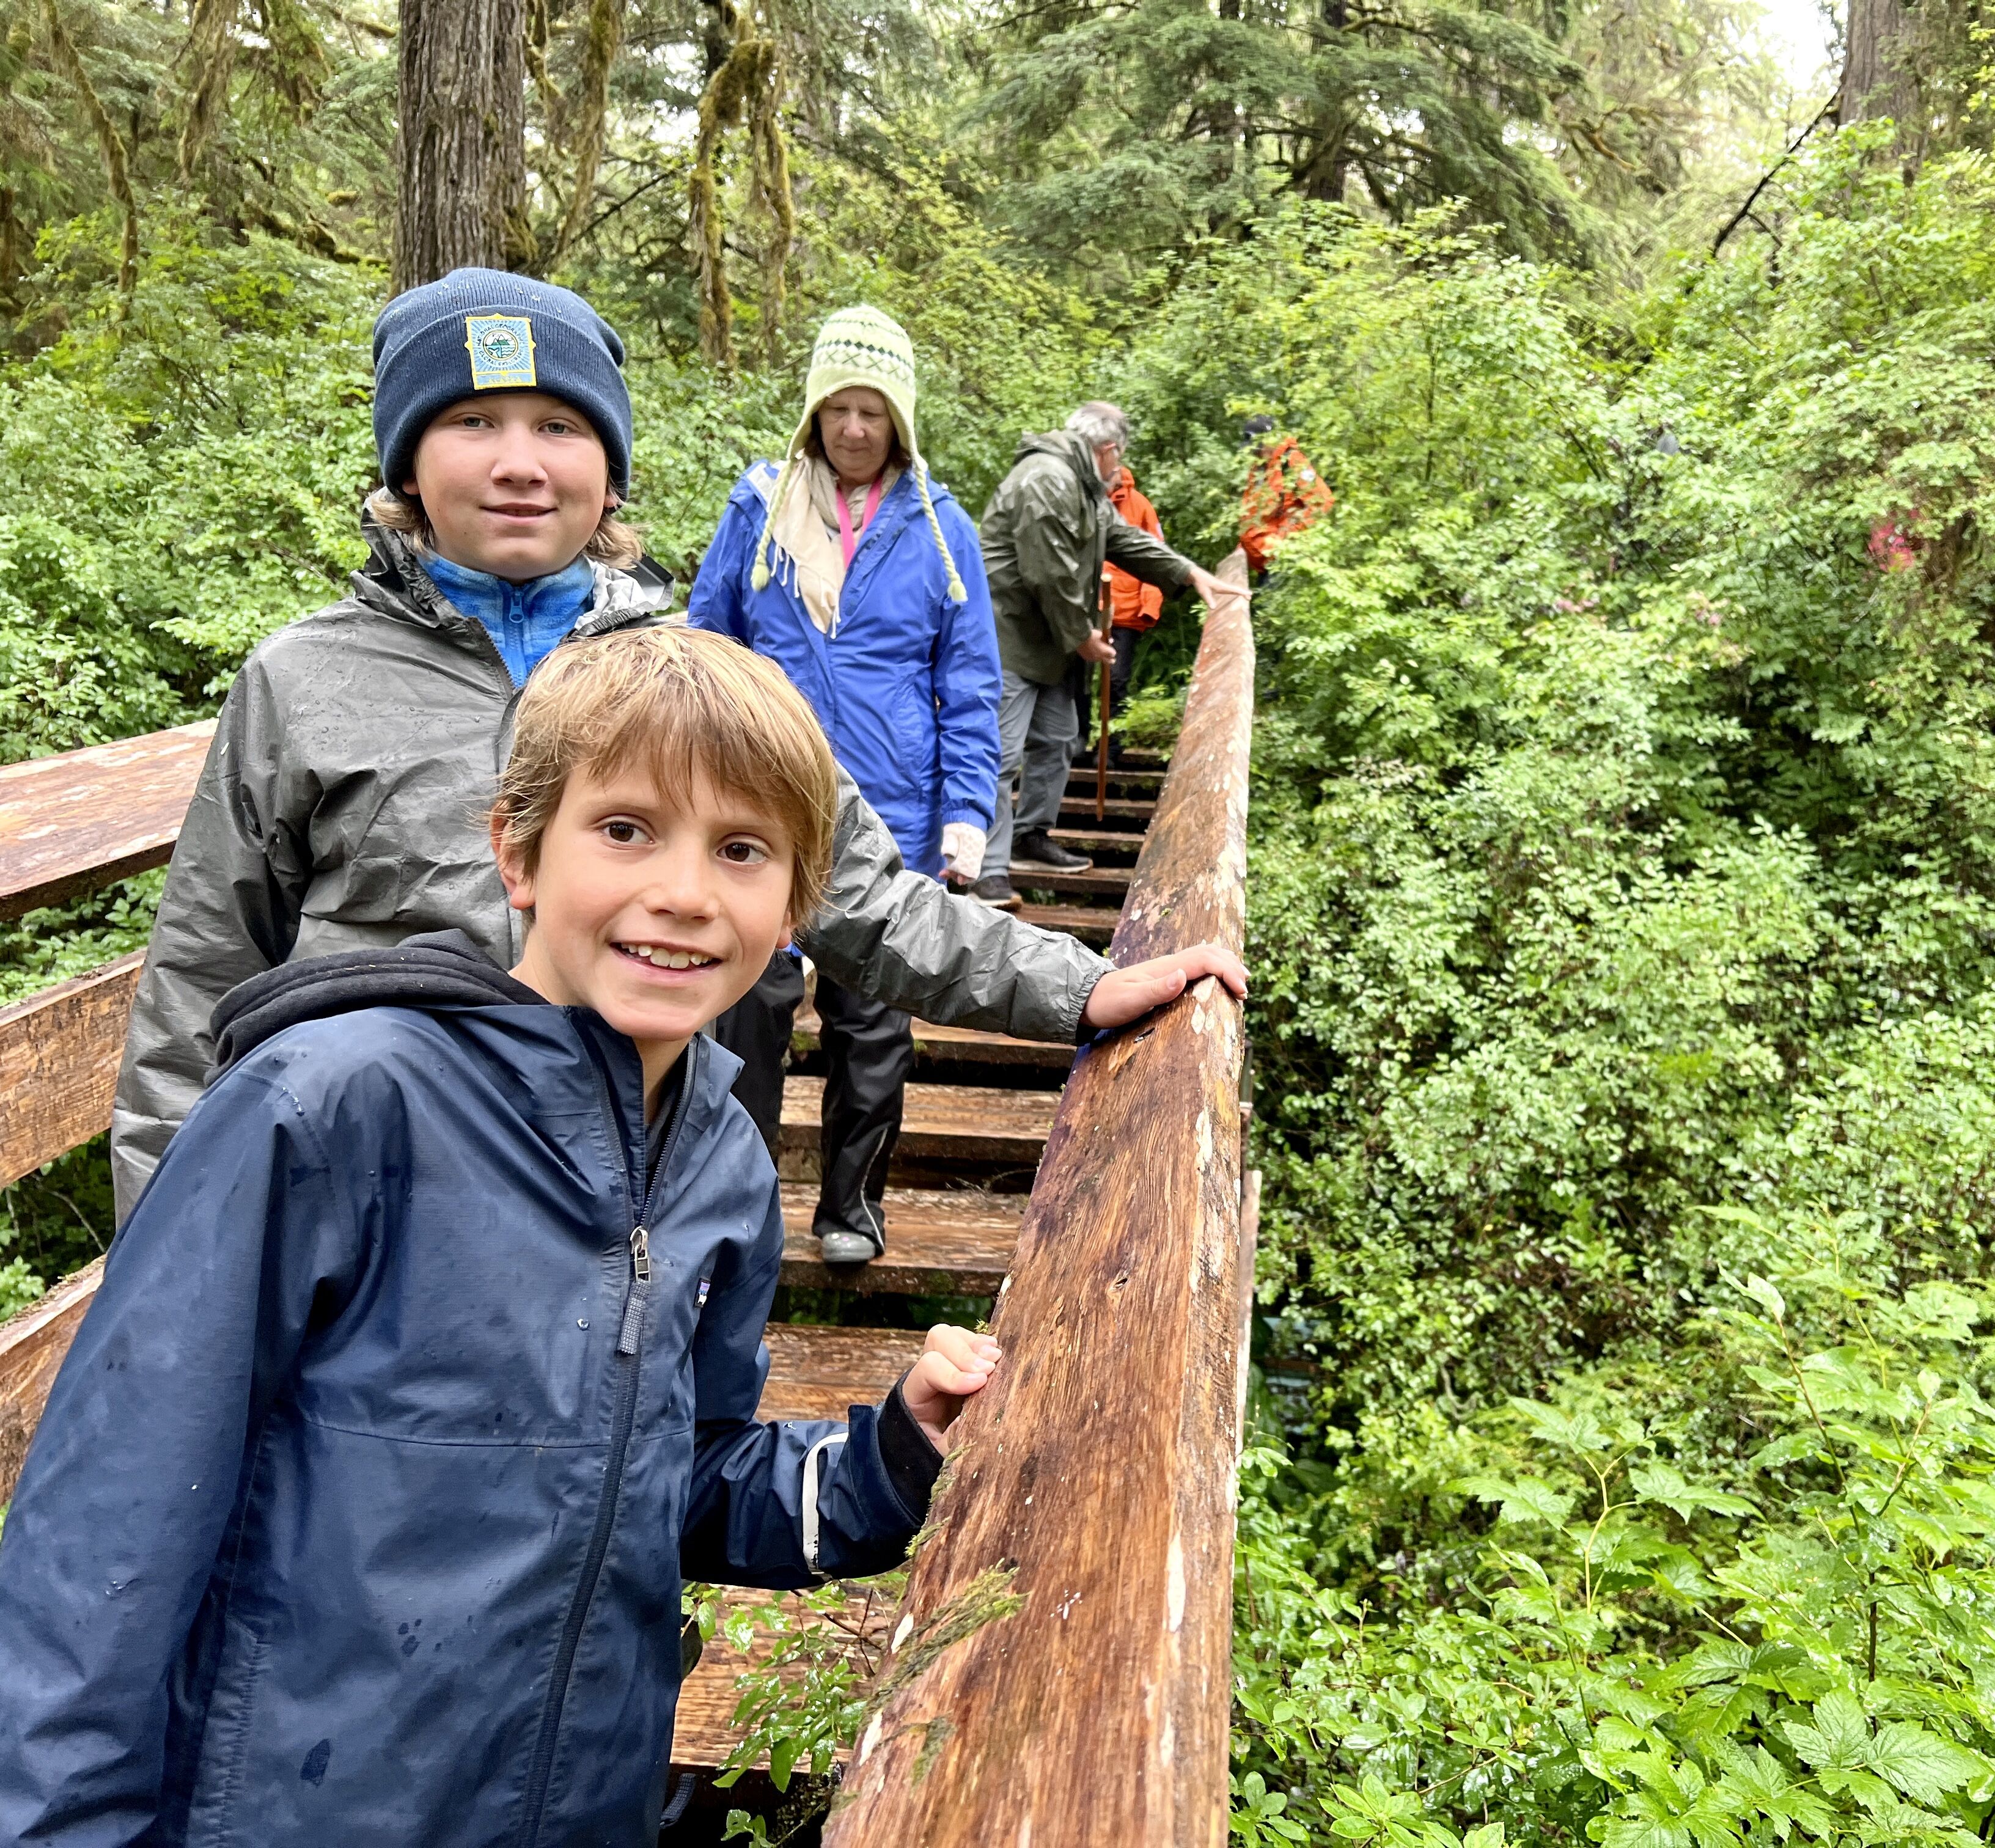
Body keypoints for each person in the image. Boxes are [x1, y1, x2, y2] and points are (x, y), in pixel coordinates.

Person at [0, 626, 1003, 1844]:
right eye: (626, 829)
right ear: (517, 852)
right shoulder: (332, 1105)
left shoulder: (723, 1165)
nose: (684, 893)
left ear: (796, 903)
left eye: (742, 849)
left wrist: (885, 1457)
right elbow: (109, 1520)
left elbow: (672, 1481)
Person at [108, 271, 1247, 1224]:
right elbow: (202, 981)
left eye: (560, 426)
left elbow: (859, 892)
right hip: (359, 1196)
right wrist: (169, 1260)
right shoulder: (304, 683)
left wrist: (1082, 987)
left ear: (610, 470)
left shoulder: (685, 681)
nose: (521, 463)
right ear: (407, 463)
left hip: (621, 1199)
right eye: (473, 422)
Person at [689, 305, 999, 1260]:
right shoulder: (760, 508)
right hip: (762, 802)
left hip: (892, 810)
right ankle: (735, 1209)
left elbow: (970, 683)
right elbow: (705, 649)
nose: (854, 429)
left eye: (873, 412)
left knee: (873, 1024)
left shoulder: (941, 530)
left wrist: (966, 816)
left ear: (899, 421)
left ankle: (851, 1209)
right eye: (838, 409)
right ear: (814, 413)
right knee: (748, 1012)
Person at [974, 401, 1248, 907]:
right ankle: (986, 870)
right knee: (1001, 754)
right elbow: (1048, 572)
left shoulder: (1084, 488)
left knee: (1058, 740)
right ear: (1107, 449)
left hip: (1051, 644)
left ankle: (1030, 837)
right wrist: (1083, 637)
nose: (1119, 466)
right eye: (1119, 456)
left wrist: (1188, 573)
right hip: (1008, 637)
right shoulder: (1046, 478)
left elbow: (1123, 538)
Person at [1086, 458, 1167, 738]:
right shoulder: (1084, 500)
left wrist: (1149, 605)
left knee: (1116, 680)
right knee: (1077, 682)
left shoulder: (1141, 506)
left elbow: (1156, 557)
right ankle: (1076, 745)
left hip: (1125, 611)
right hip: (1086, 609)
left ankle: (1112, 747)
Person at [1236, 413, 1332, 579]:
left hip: (1284, 562)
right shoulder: (1258, 469)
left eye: (1257, 447)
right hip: (1265, 565)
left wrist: (1285, 539)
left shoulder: (1291, 462)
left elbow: (1321, 502)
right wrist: (1245, 545)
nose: (1254, 453)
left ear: (1269, 440)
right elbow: (1254, 515)